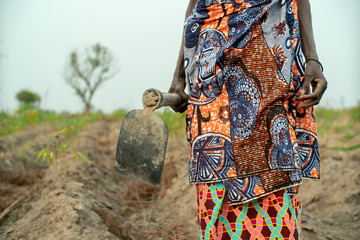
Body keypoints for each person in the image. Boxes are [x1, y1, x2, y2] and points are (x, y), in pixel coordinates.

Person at [169, 0, 327, 239]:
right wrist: (179, 74)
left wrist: (312, 58)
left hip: (272, 52)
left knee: (274, 161)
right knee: (216, 167)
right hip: (210, 58)